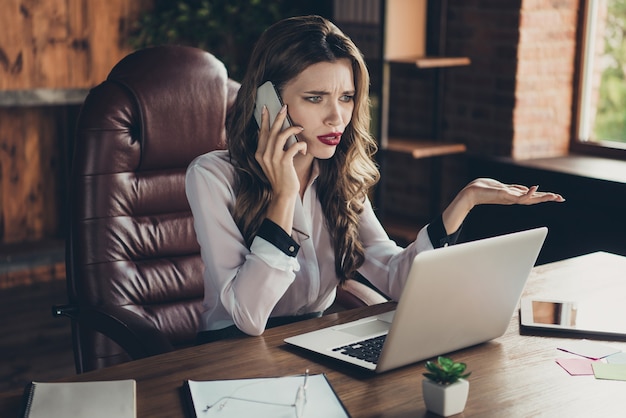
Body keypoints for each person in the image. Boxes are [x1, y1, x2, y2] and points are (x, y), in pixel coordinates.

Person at [186, 15, 564, 343]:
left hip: (308, 343)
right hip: (229, 348)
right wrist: (283, 197)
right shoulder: (212, 176)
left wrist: (464, 201)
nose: (337, 117)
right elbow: (248, 317)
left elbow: (397, 278)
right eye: (316, 98)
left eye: (347, 97)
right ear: (266, 102)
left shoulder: (338, 176)